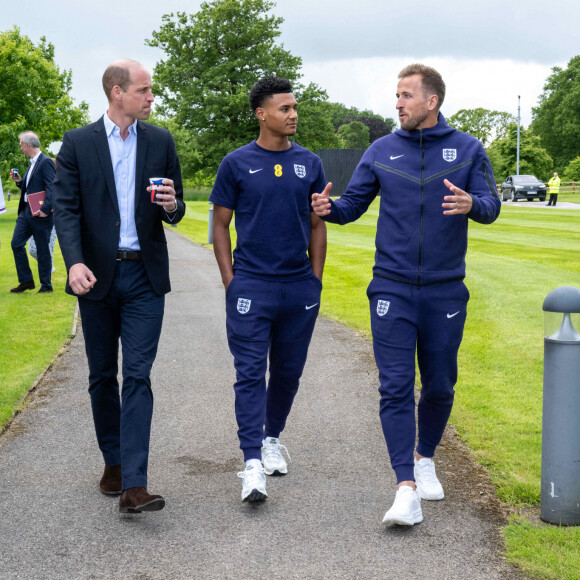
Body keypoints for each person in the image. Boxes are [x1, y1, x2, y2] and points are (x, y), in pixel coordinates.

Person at [312, 64, 501, 526]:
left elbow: (491, 206)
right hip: (391, 289)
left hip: (444, 291)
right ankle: (405, 488)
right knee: (395, 386)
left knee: (439, 384)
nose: (398, 104)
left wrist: (472, 204)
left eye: (406, 96)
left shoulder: (468, 149)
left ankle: (425, 457)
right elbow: (352, 206)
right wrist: (327, 209)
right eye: (397, 96)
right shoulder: (381, 149)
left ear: (431, 101)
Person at [53, 59, 185, 514]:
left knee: (138, 374)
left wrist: (172, 205)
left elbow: (176, 206)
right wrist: (73, 263)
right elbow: (64, 209)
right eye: (145, 90)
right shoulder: (76, 144)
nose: (152, 98)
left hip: (145, 276)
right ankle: (112, 460)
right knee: (101, 375)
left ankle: (135, 482)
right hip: (96, 277)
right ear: (116, 92)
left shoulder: (161, 140)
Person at [210, 77, 327, 502]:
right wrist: (230, 280)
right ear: (262, 114)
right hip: (251, 286)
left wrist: (314, 279)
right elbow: (220, 225)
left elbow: (317, 225)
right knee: (249, 373)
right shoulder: (236, 163)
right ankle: (251, 464)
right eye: (285, 108)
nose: (293, 114)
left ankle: (271, 438)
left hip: (299, 288)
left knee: (288, 374)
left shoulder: (310, 163)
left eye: (295, 108)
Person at [9, 132, 55, 293]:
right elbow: (31, 189)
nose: (21, 148)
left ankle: (46, 286)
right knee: (16, 244)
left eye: (21, 145)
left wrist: (44, 210)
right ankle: (26, 281)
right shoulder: (32, 163)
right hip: (26, 212)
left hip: (41, 214)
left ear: (28, 145)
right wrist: (20, 182)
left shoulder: (45, 162)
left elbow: (52, 187)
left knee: (43, 249)